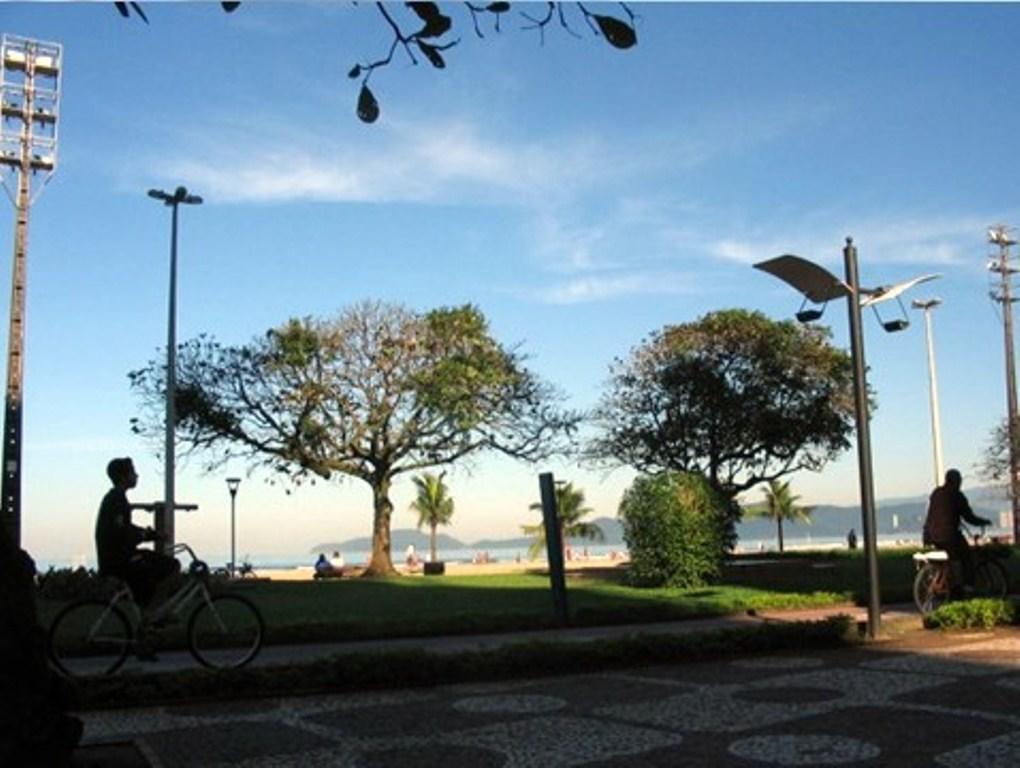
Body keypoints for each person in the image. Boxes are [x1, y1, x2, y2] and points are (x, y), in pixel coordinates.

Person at [95, 457, 180, 610]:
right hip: (119, 559)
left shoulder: (116, 498)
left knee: (153, 573)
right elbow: (120, 533)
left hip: (117, 557)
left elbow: (125, 528)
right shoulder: (117, 500)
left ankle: (148, 611)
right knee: (172, 566)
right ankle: (153, 612)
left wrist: (149, 534)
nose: (136, 476)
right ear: (123, 476)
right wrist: (144, 536)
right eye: (133, 472)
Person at [923, 468, 992, 592]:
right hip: (948, 535)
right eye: (959, 481)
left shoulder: (936, 492)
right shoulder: (957, 495)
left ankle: (949, 580)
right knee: (967, 556)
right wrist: (983, 522)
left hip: (931, 534)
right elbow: (969, 517)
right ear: (956, 481)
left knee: (951, 558)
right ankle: (966, 586)